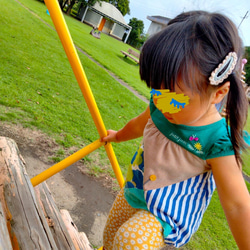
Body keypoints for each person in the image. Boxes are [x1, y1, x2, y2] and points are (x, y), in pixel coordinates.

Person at [101, 10, 250, 249]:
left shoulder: (217, 142)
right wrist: (118, 136)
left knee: (130, 240)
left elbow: (237, 205)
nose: (161, 101)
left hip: (164, 221)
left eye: (176, 97)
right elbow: (139, 125)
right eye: (156, 90)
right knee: (109, 238)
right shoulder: (163, 104)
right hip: (133, 192)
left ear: (219, 93)